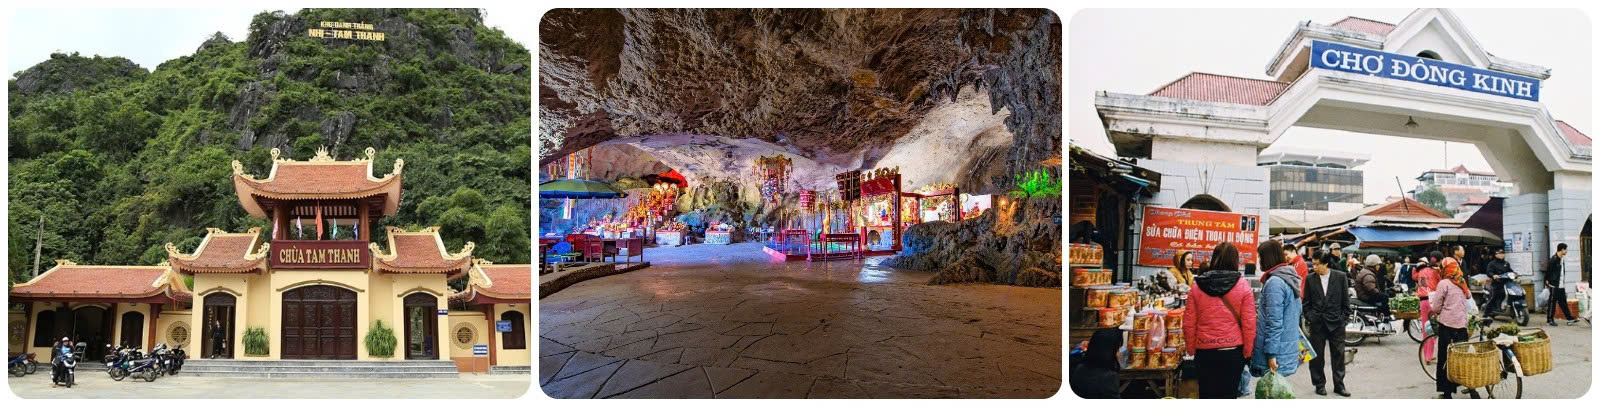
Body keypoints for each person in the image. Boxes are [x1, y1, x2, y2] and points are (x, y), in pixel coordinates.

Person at [1183, 241, 1257, 399]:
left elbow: (1189, 323)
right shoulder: (1243, 286)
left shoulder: (1198, 286)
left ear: (1214, 258)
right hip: (1233, 352)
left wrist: (1191, 349)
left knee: (1206, 395)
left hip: (1204, 351)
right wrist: (1247, 351)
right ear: (1235, 261)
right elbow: (1249, 323)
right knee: (1229, 395)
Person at [1246, 239, 1304, 395]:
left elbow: (1274, 323)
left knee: (1272, 394)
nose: (1259, 261)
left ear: (1268, 257)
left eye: (1260, 257)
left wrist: (1271, 355)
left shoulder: (1275, 283)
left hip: (1276, 352)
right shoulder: (1289, 277)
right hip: (1286, 348)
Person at [1303, 251, 1351, 396]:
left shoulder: (1340, 277)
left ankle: (1339, 385)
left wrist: (1342, 319)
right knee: (1316, 357)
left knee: (1338, 356)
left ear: (1326, 264)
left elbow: (1345, 302)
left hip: (1336, 323)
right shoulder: (1310, 279)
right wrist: (1311, 317)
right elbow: (1306, 304)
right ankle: (1319, 384)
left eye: (1317, 264)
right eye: (1313, 264)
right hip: (1317, 323)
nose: (1314, 267)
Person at [1430, 256, 1473, 398]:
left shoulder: (1444, 283)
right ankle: (1469, 385)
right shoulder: (1461, 281)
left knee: (1445, 358)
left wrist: (1437, 312)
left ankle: (1447, 393)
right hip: (1462, 326)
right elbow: (1468, 295)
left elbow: (1436, 307)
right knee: (1461, 357)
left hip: (1447, 325)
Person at [1069, 328, 1123, 399]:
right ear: (1109, 352)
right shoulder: (1109, 377)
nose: (1120, 353)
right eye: (1118, 349)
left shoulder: (1079, 368)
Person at [1415, 251, 1442, 364]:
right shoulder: (1437, 272)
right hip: (1433, 301)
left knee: (1425, 327)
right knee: (1433, 327)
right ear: (1439, 260)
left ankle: (1427, 354)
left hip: (1423, 301)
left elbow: (1418, 281)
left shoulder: (1422, 270)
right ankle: (1428, 356)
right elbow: (1441, 285)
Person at [1544, 243, 1578, 326]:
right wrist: (1547, 281)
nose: (1566, 251)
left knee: (1563, 302)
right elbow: (1548, 272)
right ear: (1562, 250)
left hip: (1561, 285)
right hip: (1554, 285)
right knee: (1552, 303)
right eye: (1566, 249)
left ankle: (1569, 318)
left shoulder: (1561, 259)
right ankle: (1549, 320)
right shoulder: (1553, 260)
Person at [1482, 247, 1514, 317]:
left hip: (1506, 283)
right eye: (1499, 253)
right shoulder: (1492, 263)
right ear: (1496, 255)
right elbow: (1489, 272)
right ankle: (1486, 314)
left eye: (1502, 253)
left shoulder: (1506, 263)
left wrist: (1515, 274)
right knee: (1494, 297)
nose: (1501, 255)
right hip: (1497, 284)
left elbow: (1510, 271)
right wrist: (1493, 275)